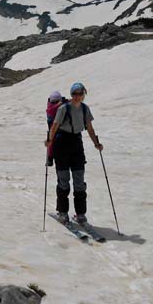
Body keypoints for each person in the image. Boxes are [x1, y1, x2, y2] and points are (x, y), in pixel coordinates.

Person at [45, 82, 103, 225]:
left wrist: (96, 143)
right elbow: (54, 126)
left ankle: (80, 214)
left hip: (77, 145)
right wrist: (50, 141)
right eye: (75, 94)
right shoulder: (63, 109)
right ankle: (63, 213)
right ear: (71, 95)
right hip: (61, 145)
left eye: (80, 94)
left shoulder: (85, 109)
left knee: (79, 183)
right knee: (64, 182)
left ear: (84, 95)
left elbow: (89, 128)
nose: (77, 96)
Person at [45, 91, 67, 166]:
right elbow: (49, 111)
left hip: (62, 127)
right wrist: (58, 104)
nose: (55, 103)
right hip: (52, 128)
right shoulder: (50, 106)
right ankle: (50, 158)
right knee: (51, 142)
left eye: (56, 101)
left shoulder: (63, 104)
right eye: (53, 101)